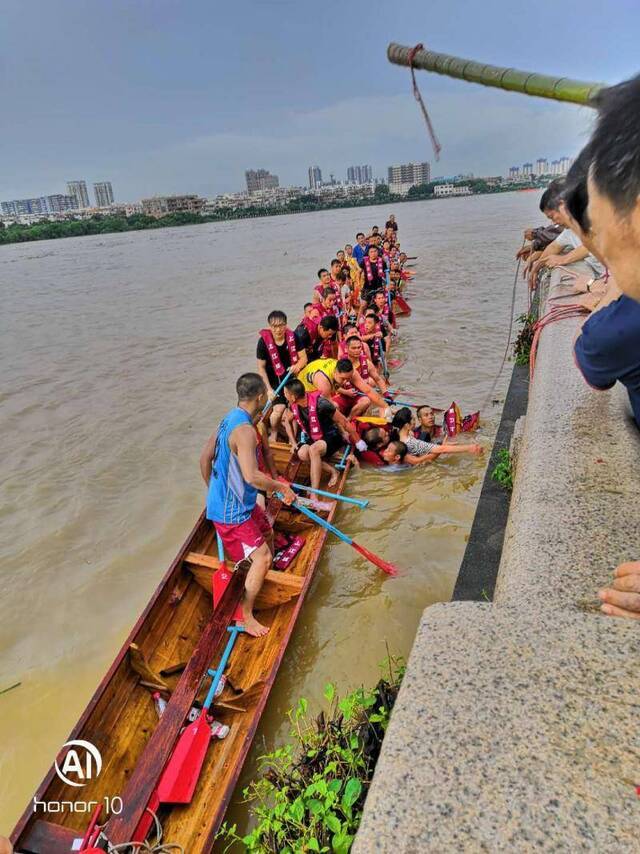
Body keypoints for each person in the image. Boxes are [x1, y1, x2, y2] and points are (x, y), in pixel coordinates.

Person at [200, 373, 296, 637]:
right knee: (262, 556)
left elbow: (204, 458)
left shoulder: (227, 420)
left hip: (242, 503)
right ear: (260, 397)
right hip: (232, 513)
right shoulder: (244, 432)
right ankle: (246, 614)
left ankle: (265, 573)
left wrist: (213, 492)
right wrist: (281, 487)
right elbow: (251, 476)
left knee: (268, 532)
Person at [283, 378, 366, 501]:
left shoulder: (322, 404)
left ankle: (314, 493)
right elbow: (286, 422)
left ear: (293, 397)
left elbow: (343, 421)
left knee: (313, 450)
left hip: (332, 438)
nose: (284, 395)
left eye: (286, 393)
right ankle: (333, 471)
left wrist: (357, 440)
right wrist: (293, 443)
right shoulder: (293, 405)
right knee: (301, 453)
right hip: (314, 439)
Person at [256, 310, 308, 440]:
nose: (278, 329)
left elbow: (304, 358)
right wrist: (269, 390)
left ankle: (295, 436)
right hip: (274, 381)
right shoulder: (263, 342)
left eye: (281, 325)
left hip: (291, 378)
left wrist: (297, 366)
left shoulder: (293, 336)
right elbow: (261, 368)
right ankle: (274, 432)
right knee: (276, 413)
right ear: (269, 326)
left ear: (286, 325)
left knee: (296, 408)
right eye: (274, 326)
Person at [299, 356, 390, 418]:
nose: (346, 382)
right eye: (343, 379)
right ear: (335, 372)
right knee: (334, 408)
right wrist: (345, 430)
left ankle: (349, 419)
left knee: (367, 400)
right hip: (305, 387)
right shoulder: (323, 381)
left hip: (318, 371)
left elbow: (368, 391)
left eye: (349, 378)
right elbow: (332, 410)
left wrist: (385, 406)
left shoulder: (350, 371)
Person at [392, 407, 483, 459]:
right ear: (407, 425)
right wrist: (469, 448)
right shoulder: (413, 442)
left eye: (432, 414)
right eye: (413, 419)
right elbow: (442, 450)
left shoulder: (396, 435)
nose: (414, 420)